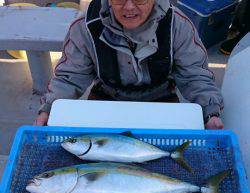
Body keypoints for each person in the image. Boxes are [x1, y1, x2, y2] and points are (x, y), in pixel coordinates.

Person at [35, 0, 224, 129]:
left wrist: (210, 112)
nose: (129, 7)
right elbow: (70, 77)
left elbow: (195, 75)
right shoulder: (84, 27)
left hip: (161, 98)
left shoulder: (179, 25)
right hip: (106, 97)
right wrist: (48, 108)